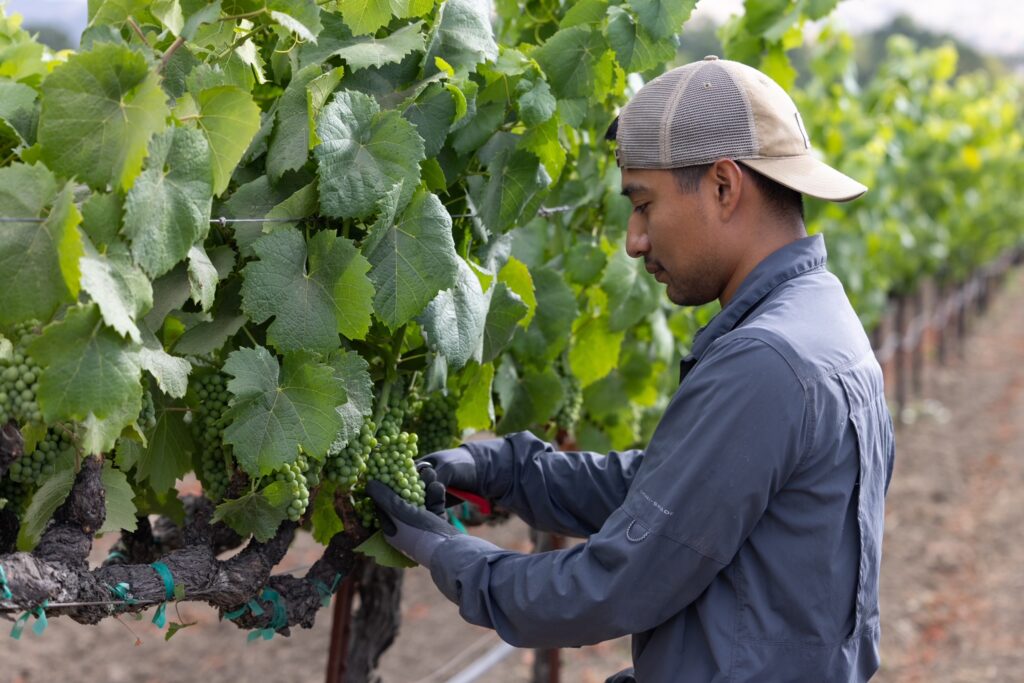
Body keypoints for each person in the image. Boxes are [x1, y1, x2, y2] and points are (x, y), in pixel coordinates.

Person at [367, 56, 896, 683]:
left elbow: (610, 586)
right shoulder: (819, 319)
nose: (633, 240)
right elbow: (678, 495)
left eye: (643, 204)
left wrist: (444, 551)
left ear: (725, 186)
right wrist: (507, 471)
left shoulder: (767, 362)